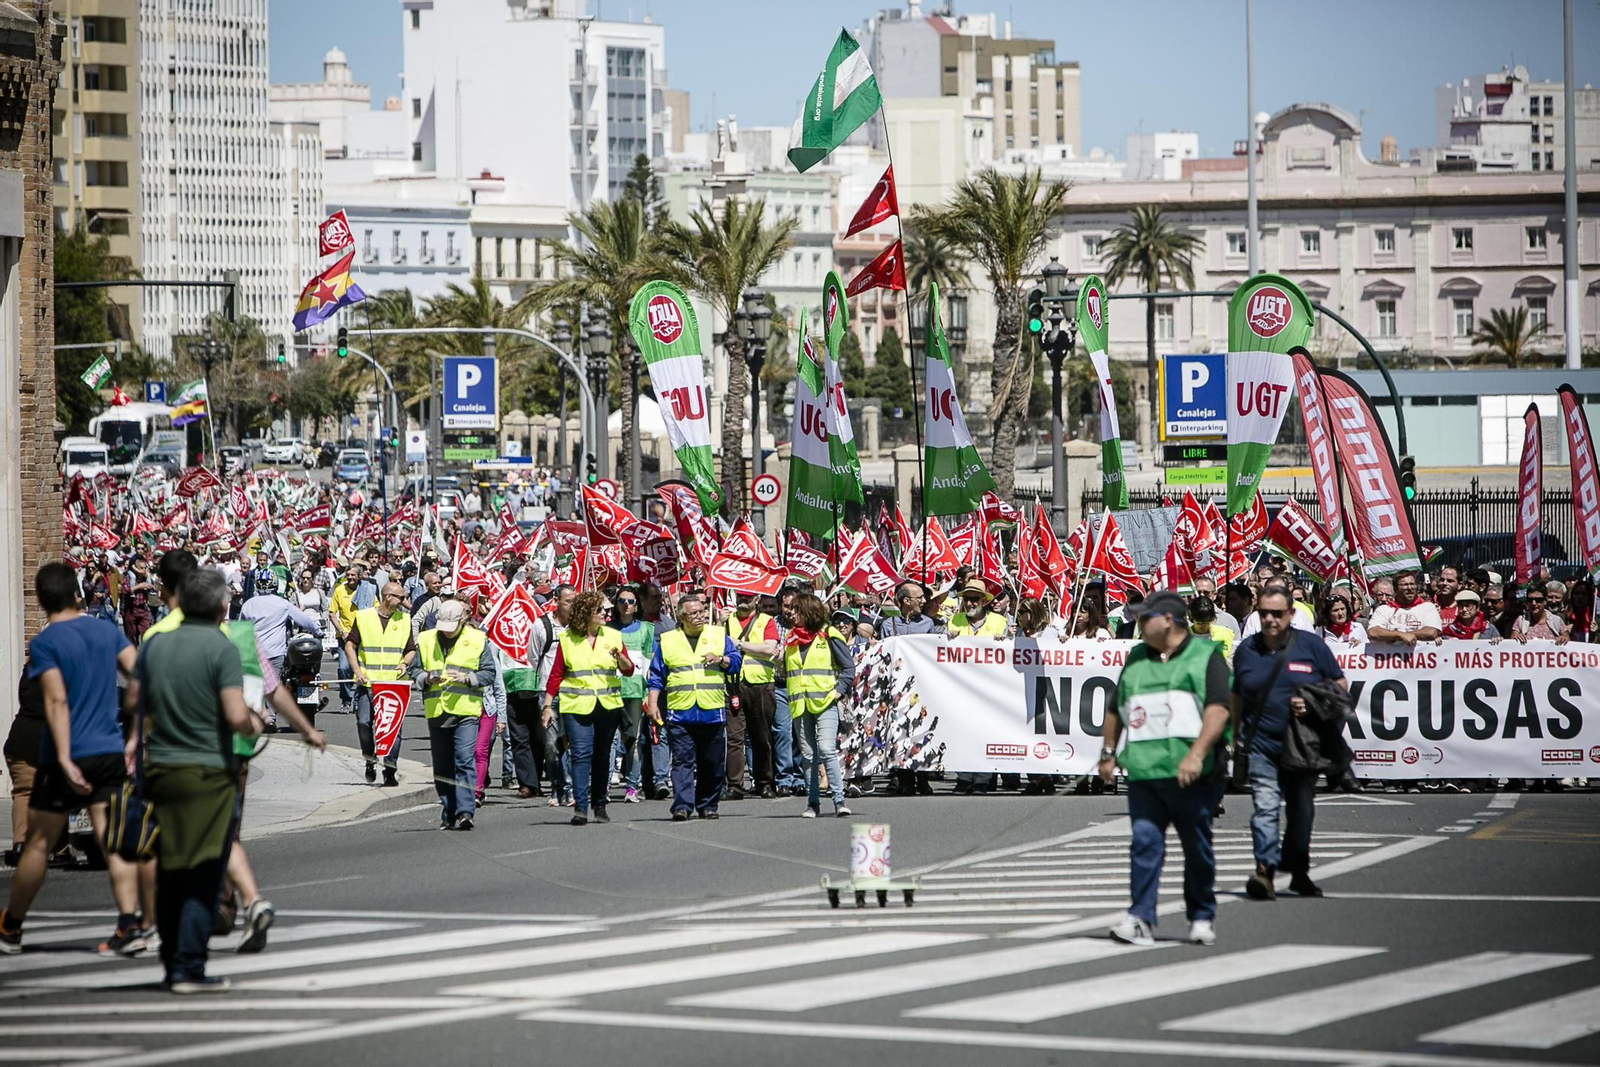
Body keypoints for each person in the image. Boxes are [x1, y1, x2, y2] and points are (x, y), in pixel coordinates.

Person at [0, 564, 149, 958]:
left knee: (37, 846)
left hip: (64, 756)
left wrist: (65, 758)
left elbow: (55, 700)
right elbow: (141, 675)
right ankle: (129, 924)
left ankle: (11, 926)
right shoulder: (105, 630)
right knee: (113, 843)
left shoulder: (46, 644)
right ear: (78, 595)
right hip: (109, 751)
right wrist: (134, 735)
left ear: (44, 600)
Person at [130, 568, 263, 992]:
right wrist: (254, 724)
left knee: (170, 867)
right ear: (223, 607)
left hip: (161, 768)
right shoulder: (220, 647)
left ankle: (172, 962)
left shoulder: (155, 644)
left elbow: (134, 701)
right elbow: (235, 714)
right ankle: (189, 966)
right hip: (207, 772)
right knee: (203, 870)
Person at [1100, 590, 1230, 947]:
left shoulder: (1206, 656)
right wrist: (1108, 752)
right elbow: (1117, 706)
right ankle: (1140, 917)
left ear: (1169, 620)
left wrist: (1196, 755)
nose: (1138, 624)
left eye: (1146, 618)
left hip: (1193, 774)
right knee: (1144, 843)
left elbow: (1219, 710)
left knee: (1197, 847)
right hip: (1144, 771)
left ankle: (1202, 912)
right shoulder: (1137, 657)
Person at [1232, 586, 1348, 902]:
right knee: (1266, 807)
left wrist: (1311, 703)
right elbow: (1237, 697)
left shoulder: (1311, 646)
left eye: (1277, 613)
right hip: (1261, 745)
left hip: (1303, 743)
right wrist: (1232, 738)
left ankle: (1298, 872)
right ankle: (1265, 871)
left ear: (1291, 615)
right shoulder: (1246, 650)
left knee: (1301, 810)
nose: (1270, 619)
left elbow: (1339, 686)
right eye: (1264, 613)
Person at [645, 592, 741, 821]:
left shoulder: (718, 635)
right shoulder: (668, 640)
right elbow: (657, 675)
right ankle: (682, 806)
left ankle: (708, 805)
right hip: (680, 712)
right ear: (681, 617)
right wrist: (653, 702)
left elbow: (736, 662)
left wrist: (721, 659)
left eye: (701, 611)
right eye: (693, 613)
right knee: (682, 762)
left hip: (712, 710)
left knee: (711, 762)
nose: (699, 616)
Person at [543, 590, 635, 826]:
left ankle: (600, 805)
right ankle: (581, 807)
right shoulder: (567, 639)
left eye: (606, 610)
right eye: (600, 611)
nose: (606, 613)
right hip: (577, 706)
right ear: (585, 614)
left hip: (607, 706)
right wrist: (547, 705)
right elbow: (556, 675)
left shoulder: (613, 636)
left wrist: (622, 660)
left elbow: (628, 669)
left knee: (602, 756)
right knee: (581, 754)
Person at [412, 600, 492, 830]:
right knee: (442, 766)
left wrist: (468, 679)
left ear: (463, 621)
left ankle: (466, 812)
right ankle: (448, 810)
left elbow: (488, 672)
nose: (446, 632)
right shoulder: (426, 639)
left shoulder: (477, 639)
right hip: (437, 710)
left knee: (464, 760)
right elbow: (414, 669)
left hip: (465, 710)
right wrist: (426, 678)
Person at [785, 593, 855, 819]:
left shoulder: (829, 635)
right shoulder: (791, 638)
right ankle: (812, 803)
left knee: (825, 749)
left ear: (809, 612)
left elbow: (848, 668)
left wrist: (838, 692)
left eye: (797, 610)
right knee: (807, 754)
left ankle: (838, 800)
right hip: (800, 703)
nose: (791, 613)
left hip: (825, 702)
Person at [346, 582, 416, 786]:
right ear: (388, 597)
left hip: (393, 685)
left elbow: (411, 648)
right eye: (400, 598)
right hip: (367, 682)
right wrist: (357, 672)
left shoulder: (404, 619)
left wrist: (405, 663)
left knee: (393, 729)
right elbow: (350, 645)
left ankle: (390, 769)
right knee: (364, 723)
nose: (404, 602)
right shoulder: (364, 617)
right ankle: (370, 759)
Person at [727, 589, 780, 800]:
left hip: (760, 685)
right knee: (733, 738)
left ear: (756, 600)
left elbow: (769, 649)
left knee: (762, 737)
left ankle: (764, 783)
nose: (743, 600)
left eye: (747, 597)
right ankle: (734, 785)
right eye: (740, 596)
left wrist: (739, 644)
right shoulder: (724, 621)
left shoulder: (766, 620)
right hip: (733, 685)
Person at [612, 587, 664, 802]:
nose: (626, 604)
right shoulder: (607, 630)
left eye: (630, 601)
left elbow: (650, 664)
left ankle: (632, 787)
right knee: (610, 740)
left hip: (636, 690)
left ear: (636, 605)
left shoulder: (646, 629)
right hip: (610, 690)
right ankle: (604, 785)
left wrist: (648, 694)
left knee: (632, 739)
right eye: (622, 600)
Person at [528, 584, 576, 806]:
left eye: (574, 600)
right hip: (548, 694)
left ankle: (569, 787)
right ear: (557, 601)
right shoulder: (542, 625)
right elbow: (533, 655)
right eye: (568, 601)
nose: (572, 605)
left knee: (572, 742)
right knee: (551, 744)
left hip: (574, 692)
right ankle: (557, 785)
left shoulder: (578, 626)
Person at [238, 588, 323, 680]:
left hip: (254, 654)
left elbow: (240, 630)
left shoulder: (248, 604)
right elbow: (304, 620)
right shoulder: (283, 603)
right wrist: (318, 632)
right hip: (275, 654)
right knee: (273, 688)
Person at [328, 562, 368, 714]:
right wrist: (342, 631)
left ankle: (358, 700)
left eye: (353, 575)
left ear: (359, 576)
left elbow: (375, 608)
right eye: (348, 575)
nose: (350, 577)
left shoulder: (367, 590)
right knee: (344, 668)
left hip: (363, 637)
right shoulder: (340, 590)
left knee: (361, 670)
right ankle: (346, 699)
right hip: (345, 638)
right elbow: (332, 613)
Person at [1366, 571, 1442, 645]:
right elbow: (1373, 632)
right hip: (1392, 657)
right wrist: (1399, 635)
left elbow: (1431, 632)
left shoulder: (1427, 607)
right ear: (1395, 589)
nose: (1409, 588)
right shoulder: (1384, 609)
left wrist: (1392, 636)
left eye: (1412, 584)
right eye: (1405, 585)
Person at [1188, 594, 1233, 662]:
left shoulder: (1226, 634)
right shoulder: (1182, 637)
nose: (1203, 626)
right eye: (1199, 623)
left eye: (1207, 622)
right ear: (1192, 617)